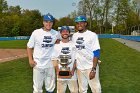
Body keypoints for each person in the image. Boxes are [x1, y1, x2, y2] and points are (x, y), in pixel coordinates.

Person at [27, 13, 61, 93]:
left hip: (50, 64)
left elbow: (59, 43)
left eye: (50, 22)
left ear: (52, 23)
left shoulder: (56, 33)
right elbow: (29, 46)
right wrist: (30, 59)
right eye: (46, 22)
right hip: (38, 64)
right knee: (37, 88)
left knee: (50, 86)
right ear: (43, 22)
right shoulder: (36, 32)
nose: (48, 24)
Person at [72, 15, 101, 93]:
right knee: (82, 89)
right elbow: (74, 51)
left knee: (96, 89)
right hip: (79, 67)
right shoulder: (74, 36)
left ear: (85, 23)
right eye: (77, 23)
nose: (79, 25)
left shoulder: (92, 35)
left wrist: (94, 69)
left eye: (81, 23)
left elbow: (96, 52)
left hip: (90, 66)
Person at [51, 26, 78, 93]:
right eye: (63, 31)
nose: (65, 33)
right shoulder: (56, 45)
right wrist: (57, 71)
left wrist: (73, 70)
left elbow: (76, 59)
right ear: (60, 33)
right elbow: (54, 59)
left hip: (72, 75)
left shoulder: (74, 45)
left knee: (74, 91)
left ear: (69, 33)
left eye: (67, 31)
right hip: (60, 74)